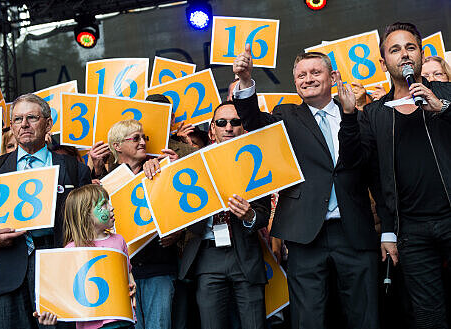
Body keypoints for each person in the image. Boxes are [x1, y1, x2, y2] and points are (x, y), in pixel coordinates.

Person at [232, 45, 380, 329]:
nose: (307, 79)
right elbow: (253, 122)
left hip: (355, 231)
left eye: (315, 72)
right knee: (309, 319)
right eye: (301, 75)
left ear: (333, 76)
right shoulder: (286, 115)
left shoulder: (359, 116)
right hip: (305, 234)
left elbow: (365, 168)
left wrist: (349, 117)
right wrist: (246, 81)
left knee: (365, 316)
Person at [337, 22, 451, 329]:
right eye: (395, 49)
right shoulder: (376, 114)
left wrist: (441, 108)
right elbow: (357, 168)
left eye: (410, 48)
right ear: (383, 61)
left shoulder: (446, 93)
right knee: (428, 315)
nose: (404, 55)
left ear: (422, 54)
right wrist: (349, 118)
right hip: (412, 231)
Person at [0, 93, 91, 329]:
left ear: (48, 124)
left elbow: (87, 225)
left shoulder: (74, 169)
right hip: (7, 271)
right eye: (17, 119)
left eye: (31, 117)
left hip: (60, 272)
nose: (24, 125)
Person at [169, 101, 270, 329]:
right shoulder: (192, 163)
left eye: (235, 122)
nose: (229, 127)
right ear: (211, 129)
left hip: (244, 252)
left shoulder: (256, 160)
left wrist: (250, 215)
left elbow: (264, 213)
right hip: (207, 255)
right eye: (221, 122)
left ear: (243, 127)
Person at [106, 119, 179, 329]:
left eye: (143, 137)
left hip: (158, 268)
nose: (142, 142)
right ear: (117, 146)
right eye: (135, 138)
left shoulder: (160, 169)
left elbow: (178, 210)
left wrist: (176, 232)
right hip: (123, 274)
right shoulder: (104, 182)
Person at [33, 184, 137, 329]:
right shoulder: (71, 250)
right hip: (90, 325)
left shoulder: (119, 240)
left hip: (123, 321)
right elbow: (61, 291)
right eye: (104, 204)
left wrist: (132, 286)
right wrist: (48, 312)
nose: (111, 207)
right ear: (85, 213)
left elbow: (128, 272)